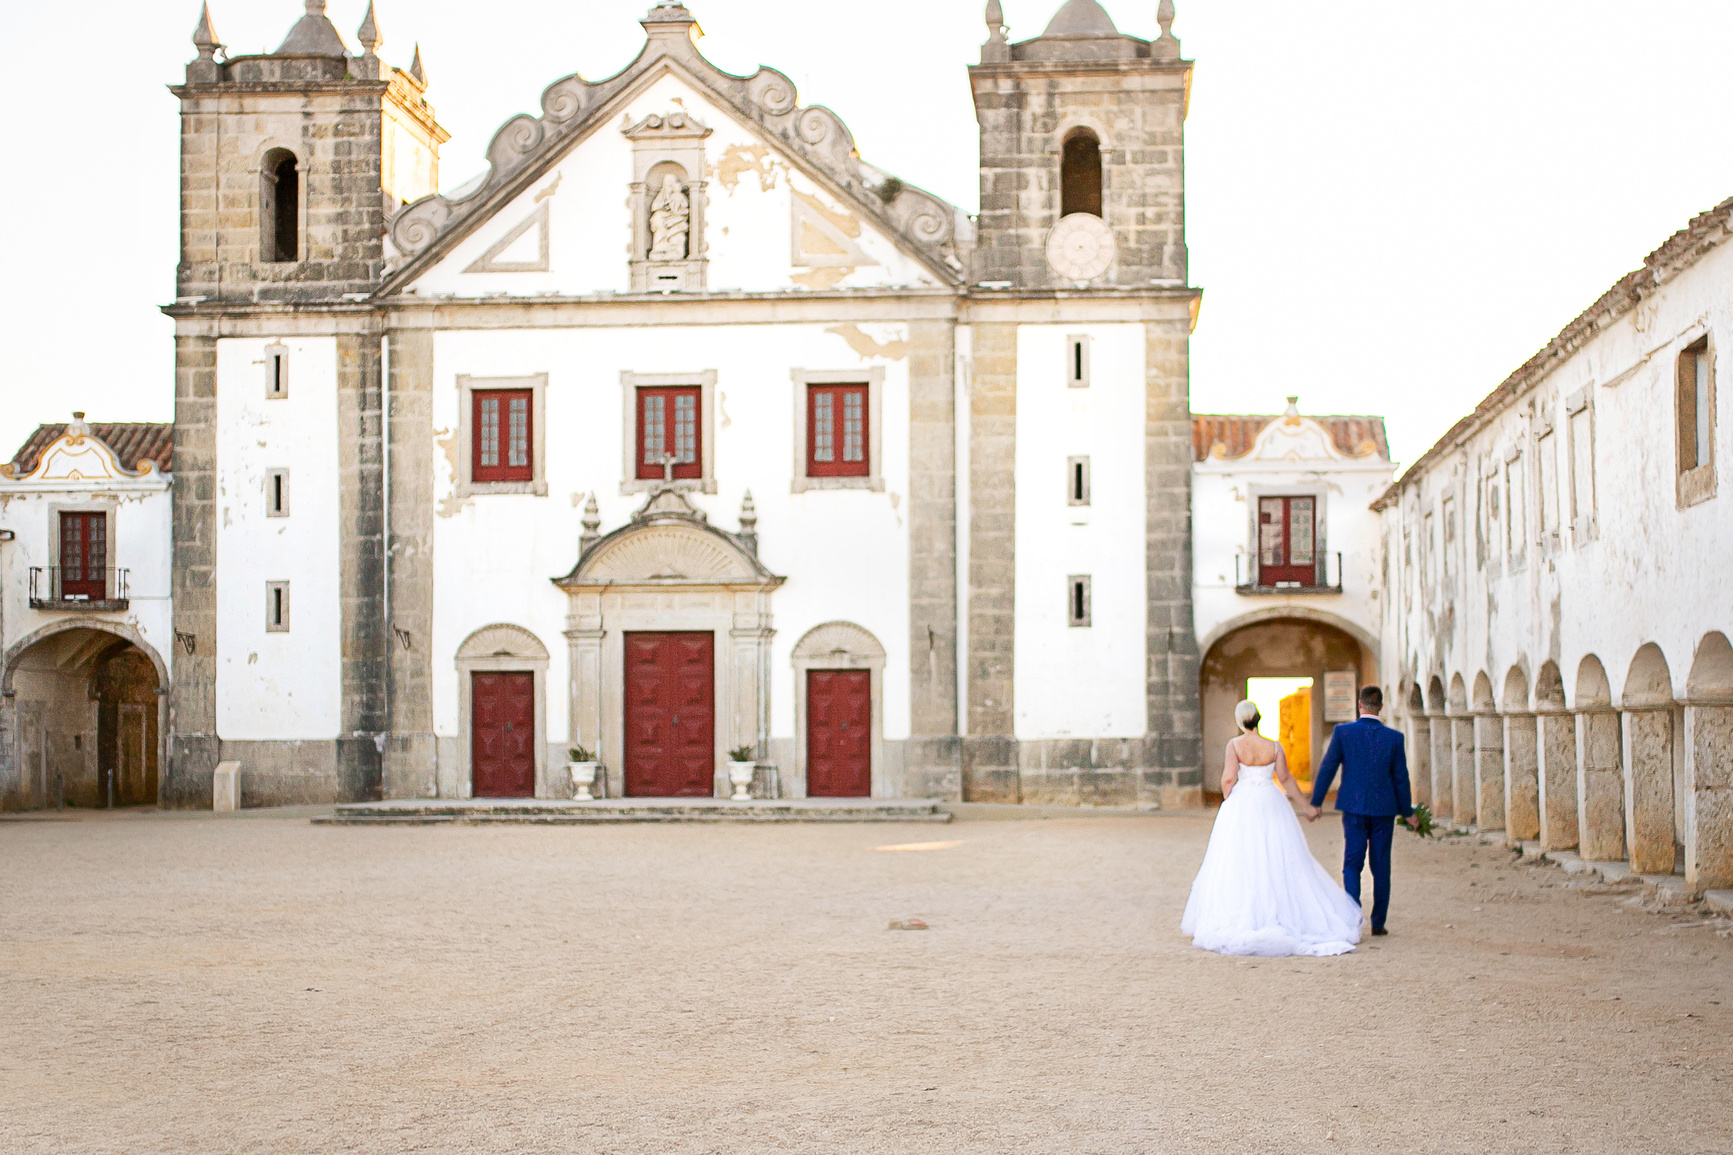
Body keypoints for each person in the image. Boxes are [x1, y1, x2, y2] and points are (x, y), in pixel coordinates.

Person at [1180, 700, 1363, 957]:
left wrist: (1228, 798)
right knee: (1279, 855)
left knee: (1239, 857)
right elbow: (1286, 779)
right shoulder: (1274, 746)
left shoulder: (1234, 745)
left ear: (1240, 721)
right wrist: (1307, 807)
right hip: (1270, 800)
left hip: (1242, 802)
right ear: (1258, 719)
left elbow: (1228, 776)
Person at [1308, 685, 1418, 938]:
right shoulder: (1394, 738)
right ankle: (1378, 923)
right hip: (1384, 809)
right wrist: (1407, 812)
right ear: (1380, 707)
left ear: (1359, 704)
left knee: (1352, 862)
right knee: (1381, 865)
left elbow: (1328, 767)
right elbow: (1401, 778)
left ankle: (1352, 919)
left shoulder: (1343, 732)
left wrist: (1316, 801)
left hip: (1354, 806)